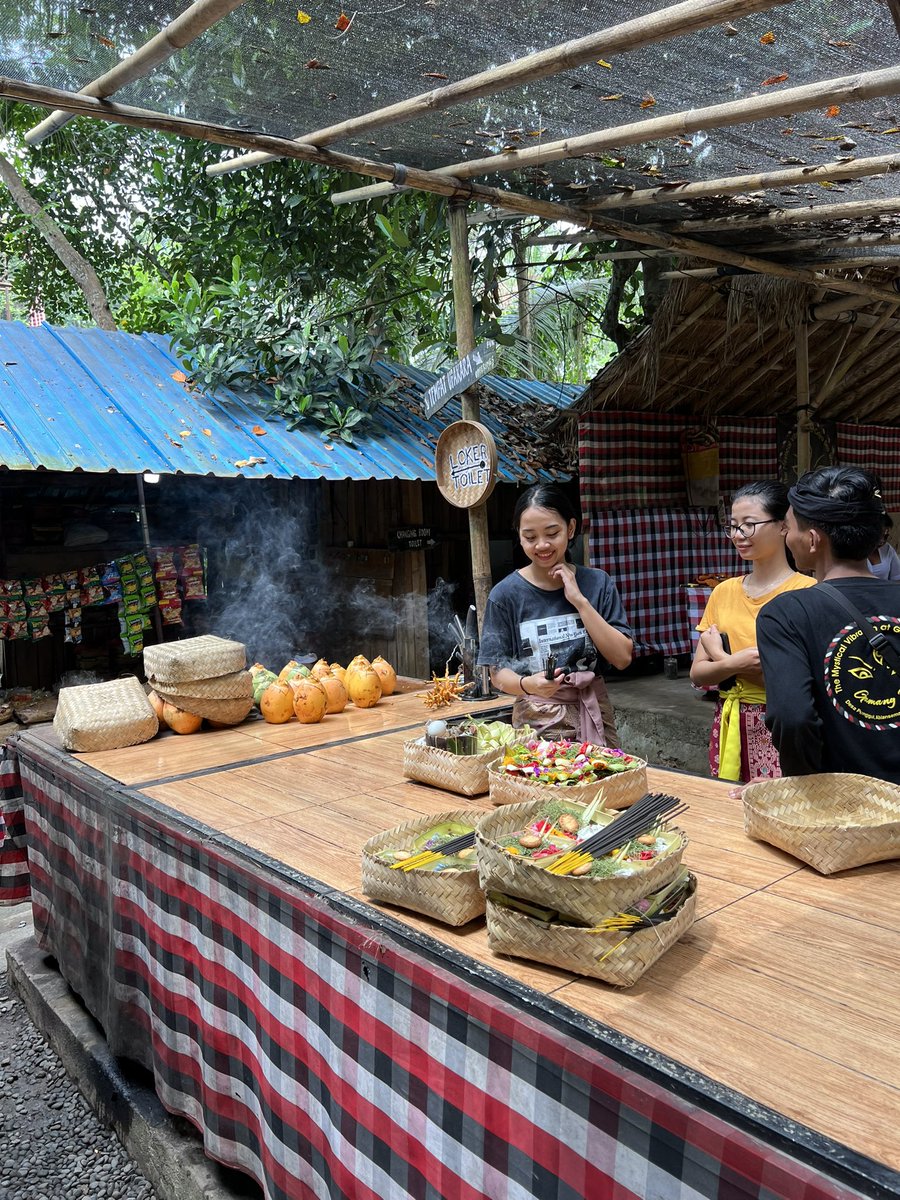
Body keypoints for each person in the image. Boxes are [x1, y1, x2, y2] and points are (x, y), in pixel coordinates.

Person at [757, 467, 900, 784]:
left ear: (811, 540)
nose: (784, 535)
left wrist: (802, 787)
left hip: (843, 811)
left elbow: (792, 718)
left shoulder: (786, 614)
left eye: (789, 527)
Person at [477, 483, 633, 746]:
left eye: (552, 533)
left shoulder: (597, 583)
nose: (542, 545)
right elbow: (497, 674)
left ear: (571, 529)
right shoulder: (505, 595)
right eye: (530, 537)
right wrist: (529, 684)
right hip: (535, 721)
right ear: (519, 535)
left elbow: (622, 658)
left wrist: (580, 601)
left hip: (593, 712)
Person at [690, 481, 815, 783]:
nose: (737, 535)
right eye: (732, 526)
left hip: (782, 724)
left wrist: (721, 658)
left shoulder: (808, 592)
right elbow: (697, 674)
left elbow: (793, 681)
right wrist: (736, 663)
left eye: (749, 525)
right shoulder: (723, 592)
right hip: (729, 721)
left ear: (784, 525)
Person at [868, 513, 900, 580]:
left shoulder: (887, 549)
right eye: (879, 535)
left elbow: (897, 577)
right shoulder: (854, 551)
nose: (882, 540)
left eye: (886, 536)